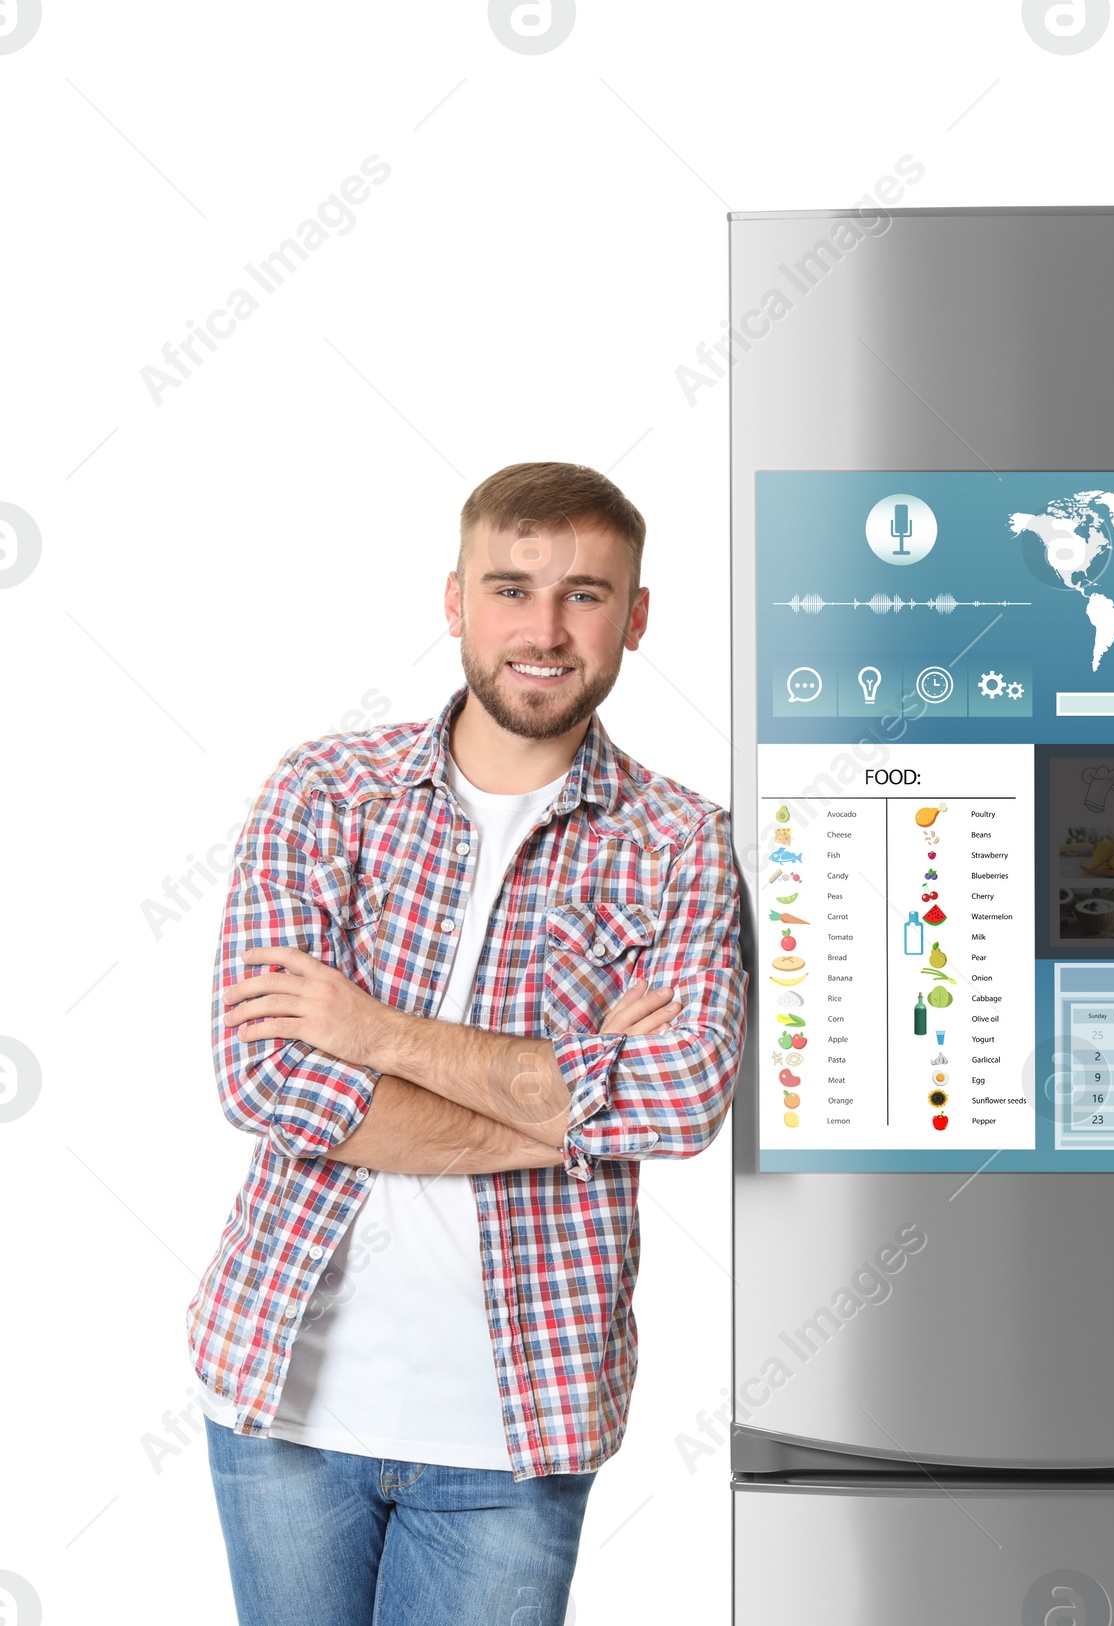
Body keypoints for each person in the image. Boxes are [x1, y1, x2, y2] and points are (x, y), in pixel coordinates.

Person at [189, 462, 747, 1625]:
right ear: (455, 602)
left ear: (636, 618)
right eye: (512, 588)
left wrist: (376, 1033)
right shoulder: (326, 792)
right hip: (282, 1399)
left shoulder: (682, 842)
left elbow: (686, 1097)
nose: (544, 631)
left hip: (518, 1427)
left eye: (586, 594)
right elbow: (267, 1076)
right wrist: (572, 1110)